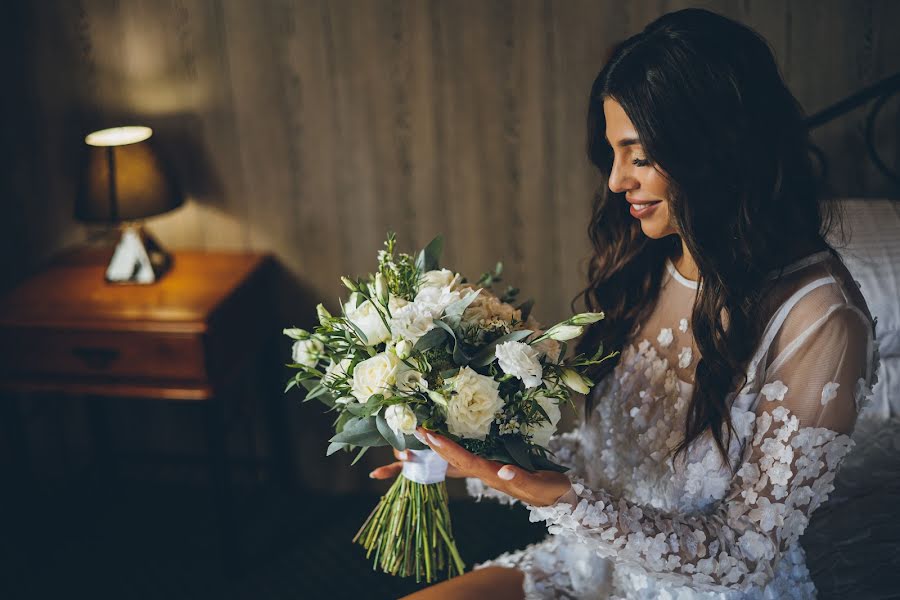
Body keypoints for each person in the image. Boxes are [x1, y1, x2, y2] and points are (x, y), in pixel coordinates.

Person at [369, 8, 880, 599]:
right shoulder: (652, 259)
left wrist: (557, 496)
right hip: (590, 565)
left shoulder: (821, 321)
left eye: (638, 156)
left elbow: (742, 555)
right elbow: (613, 462)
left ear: (713, 148)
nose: (615, 182)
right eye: (613, 154)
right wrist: (481, 457)